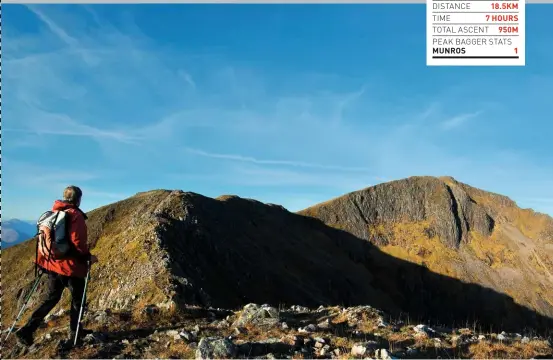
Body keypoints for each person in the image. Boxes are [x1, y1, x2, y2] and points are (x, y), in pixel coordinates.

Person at [15, 186, 98, 347]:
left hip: (52, 264)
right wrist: (88, 257)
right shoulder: (75, 216)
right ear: (78, 199)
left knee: (51, 298)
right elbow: (78, 243)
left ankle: (27, 330)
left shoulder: (53, 213)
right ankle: (75, 334)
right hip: (70, 267)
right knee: (78, 300)